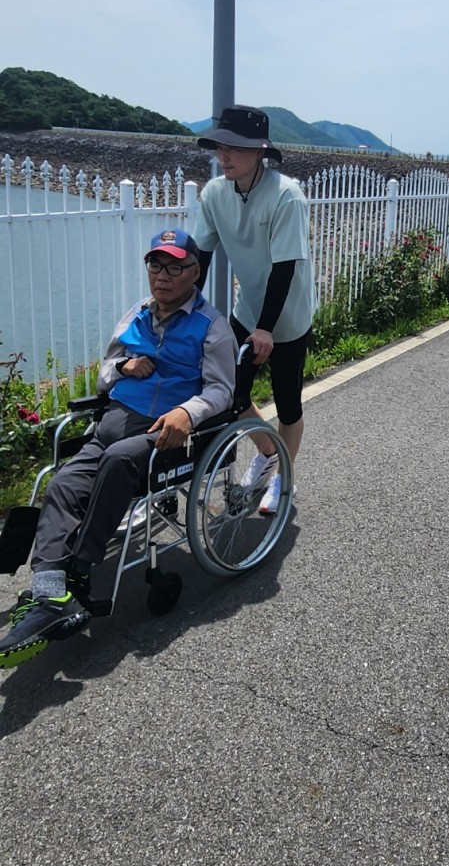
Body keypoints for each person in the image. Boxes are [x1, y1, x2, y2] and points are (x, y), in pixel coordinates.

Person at [0, 228, 237, 669]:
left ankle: (78, 573)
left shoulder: (212, 327)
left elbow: (222, 390)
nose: (162, 276)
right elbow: (104, 374)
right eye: (155, 265)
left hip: (164, 433)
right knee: (63, 484)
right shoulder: (136, 315)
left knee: (117, 461)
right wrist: (124, 366)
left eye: (174, 268)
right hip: (111, 425)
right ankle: (51, 594)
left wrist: (188, 413)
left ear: (195, 272)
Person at [192, 106, 316, 514]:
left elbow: (284, 268)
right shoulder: (214, 193)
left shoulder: (286, 196)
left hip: (289, 316)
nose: (223, 155)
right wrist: (183, 310)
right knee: (231, 393)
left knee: (288, 402)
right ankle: (269, 455)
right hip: (247, 310)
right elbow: (200, 257)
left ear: (260, 152)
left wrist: (266, 330)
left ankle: (284, 478)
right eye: (220, 146)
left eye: (235, 148)